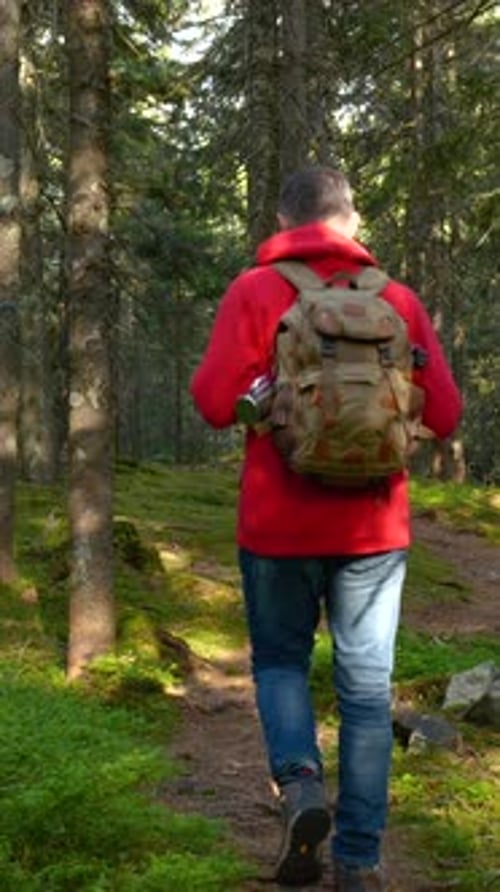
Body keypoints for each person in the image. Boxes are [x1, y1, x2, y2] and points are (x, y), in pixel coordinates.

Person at [190, 167, 462, 892]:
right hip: (374, 530)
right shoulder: (397, 300)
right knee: (367, 694)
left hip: (278, 524)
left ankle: (303, 786)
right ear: (351, 219)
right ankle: (361, 861)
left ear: (285, 221)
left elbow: (215, 403)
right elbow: (446, 416)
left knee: (281, 665)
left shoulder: (255, 291)